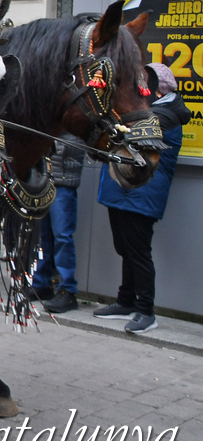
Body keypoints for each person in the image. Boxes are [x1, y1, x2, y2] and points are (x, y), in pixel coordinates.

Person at [94, 62, 191, 334]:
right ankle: (126, 300)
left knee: (138, 253)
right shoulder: (151, 109)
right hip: (123, 191)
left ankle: (146, 311)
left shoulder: (165, 115)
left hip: (142, 194)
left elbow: (127, 132)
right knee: (125, 249)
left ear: (157, 90)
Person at [30, 136, 87, 313]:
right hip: (44, 180)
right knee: (42, 235)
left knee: (62, 236)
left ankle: (68, 290)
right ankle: (42, 284)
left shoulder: (72, 119)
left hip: (62, 182)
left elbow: (73, 146)